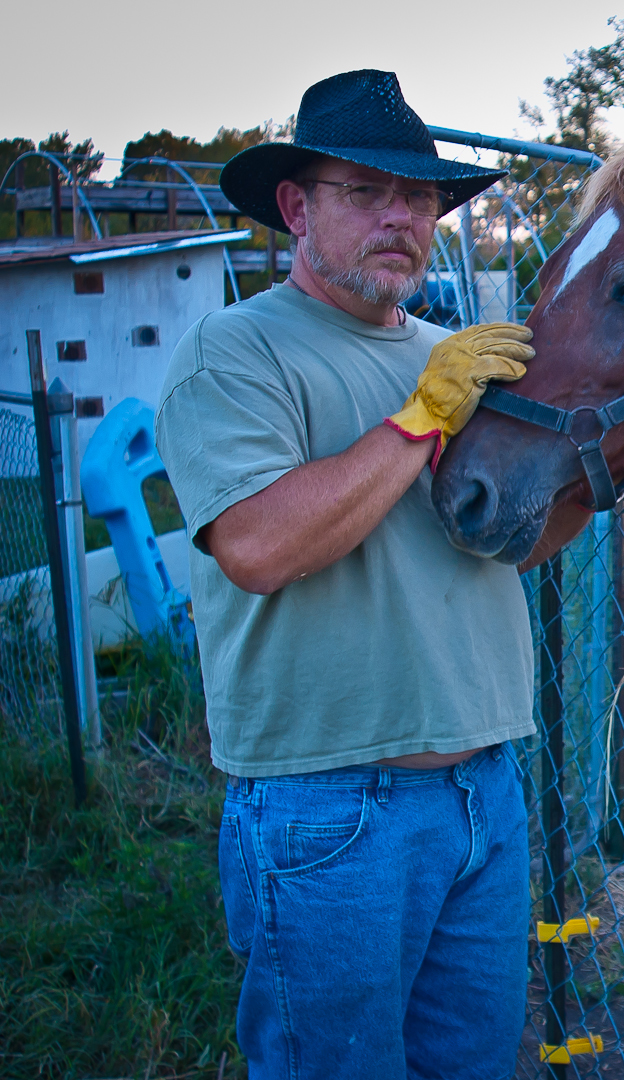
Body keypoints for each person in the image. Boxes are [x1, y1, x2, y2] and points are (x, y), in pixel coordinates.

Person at [155, 70, 538, 1078]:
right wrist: (419, 419)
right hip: (330, 806)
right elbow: (258, 548)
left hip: (485, 790)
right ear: (296, 207)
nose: (401, 216)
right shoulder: (234, 355)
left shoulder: (460, 357)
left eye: (419, 198)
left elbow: (514, 541)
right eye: (366, 192)